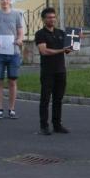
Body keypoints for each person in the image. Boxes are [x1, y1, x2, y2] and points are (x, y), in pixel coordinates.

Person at [34, 7, 72, 136]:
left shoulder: (61, 33)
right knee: (45, 99)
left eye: (54, 17)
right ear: (44, 19)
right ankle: (44, 126)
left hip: (60, 70)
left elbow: (68, 49)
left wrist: (75, 42)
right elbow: (44, 51)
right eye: (49, 17)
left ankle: (57, 125)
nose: (52, 20)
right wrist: (62, 50)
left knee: (58, 99)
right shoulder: (40, 34)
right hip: (48, 71)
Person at [0, 0, 24, 120]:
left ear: (10, 0)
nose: (5, 1)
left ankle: (12, 109)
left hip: (13, 53)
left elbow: (20, 32)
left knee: (12, 81)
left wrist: (19, 40)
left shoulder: (16, 15)